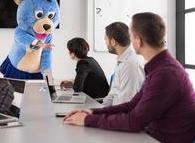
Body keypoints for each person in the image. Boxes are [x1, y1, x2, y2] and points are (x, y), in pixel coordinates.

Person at [63, 12, 195, 143]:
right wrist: (92, 112)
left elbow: (135, 121)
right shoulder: (159, 67)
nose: (129, 41)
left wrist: (87, 120)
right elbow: (131, 105)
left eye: (131, 36)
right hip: (151, 136)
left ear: (138, 40)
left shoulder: (165, 73)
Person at [102, 22, 145, 106]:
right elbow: (112, 95)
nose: (105, 43)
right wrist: (95, 112)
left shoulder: (131, 65)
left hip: (121, 116)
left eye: (105, 40)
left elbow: (126, 105)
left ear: (113, 42)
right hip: (114, 113)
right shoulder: (122, 61)